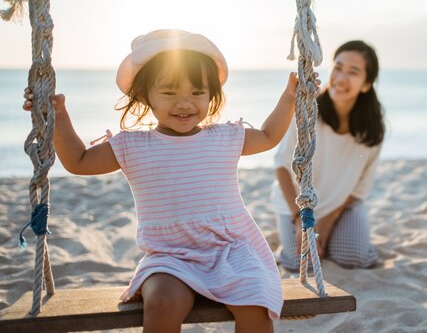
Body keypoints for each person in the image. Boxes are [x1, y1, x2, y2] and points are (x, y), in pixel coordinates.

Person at [23, 29, 319, 333]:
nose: (184, 103)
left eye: (197, 92)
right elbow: (79, 161)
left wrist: (289, 98)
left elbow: (269, 136)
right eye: (169, 92)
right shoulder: (133, 146)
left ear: (212, 95)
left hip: (231, 249)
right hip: (170, 256)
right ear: (144, 95)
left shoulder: (224, 138)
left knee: (256, 304)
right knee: (163, 302)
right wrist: (57, 115)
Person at [271, 40, 384, 272]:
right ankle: (288, 240)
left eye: (353, 72)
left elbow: (359, 188)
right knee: (297, 263)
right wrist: (301, 221)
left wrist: (328, 221)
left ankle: (349, 238)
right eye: (338, 67)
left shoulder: (371, 129)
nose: (341, 78)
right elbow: (282, 166)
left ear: (366, 84)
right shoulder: (307, 111)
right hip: (296, 204)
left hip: (341, 205)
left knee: (352, 259)